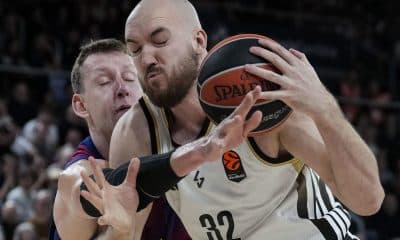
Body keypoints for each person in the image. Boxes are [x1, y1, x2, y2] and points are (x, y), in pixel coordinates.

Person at [86, 0, 385, 239]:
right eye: (135, 50)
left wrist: (325, 109)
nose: (147, 58)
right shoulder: (136, 130)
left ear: (199, 41)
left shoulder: (264, 100)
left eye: (160, 40)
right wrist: (122, 231)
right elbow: (125, 228)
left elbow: (368, 201)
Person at [51, 38, 144, 240]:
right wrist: (120, 232)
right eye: (104, 82)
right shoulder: (78, 174)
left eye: (130, 78)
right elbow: (76, 183)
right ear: (81, 106)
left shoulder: (170, 145)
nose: (122, 89)